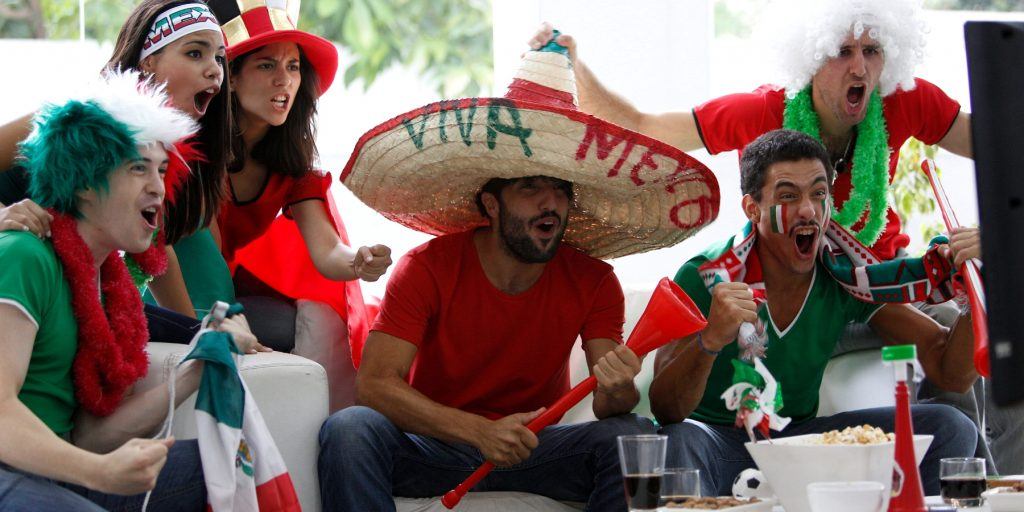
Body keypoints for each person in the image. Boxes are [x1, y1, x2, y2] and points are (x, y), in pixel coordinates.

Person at [531, 1, 1020, 474]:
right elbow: (641, 127)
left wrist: (993, 258)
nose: (859, 68)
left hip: (867, 284)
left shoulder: (900, 111)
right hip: (730, 415)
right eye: (841, 51)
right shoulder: (713, 264)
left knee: (965, 372)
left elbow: (999, 143)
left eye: (872, 52)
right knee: (679, 442)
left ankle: (992, 486)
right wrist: (573, 64)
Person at [318, 40, 720, 511]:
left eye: (559, 191)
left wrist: (618, 385)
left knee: (635, 434)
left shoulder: (595, 280)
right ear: (491, 205)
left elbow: (616, 406)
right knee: (347, 430)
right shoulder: (426, 267)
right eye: (530, 188)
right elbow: (375, 385)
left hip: (535, 452)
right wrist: (480, 432)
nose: (549, 203)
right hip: (436, 447)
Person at [649, 129, 978, 497]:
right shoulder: (704, 274)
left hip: (799, 447)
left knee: (951, 427)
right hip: (715, 444)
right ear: (752, 208)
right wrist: (710, 339)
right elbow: (665, 409)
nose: (808, 210)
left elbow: (952, 373)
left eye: (819, 194)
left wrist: (974, 288)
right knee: (677, 442)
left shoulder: (846, 276)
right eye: (788, 195)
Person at [0, 70, 259, 511]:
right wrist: (98, 473)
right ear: (83, 182)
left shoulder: (106, 286)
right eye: (138, 167)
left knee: (226, 467)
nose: (158, 185)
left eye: (161, 169)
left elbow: (89, 436)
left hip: (54, 470)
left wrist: (199, 364)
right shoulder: (25, 255)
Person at [0, 0, 235, 341]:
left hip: (61, 286)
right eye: (195, 53)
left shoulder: (164, 149)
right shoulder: (83, 114)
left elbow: (155, 249)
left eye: (219, 57)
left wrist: (198, 336)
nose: (215, 70)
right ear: (149, 62)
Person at [182, 0, 391, 355]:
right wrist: (223, 323)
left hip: (224, 289)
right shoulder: (193, 146)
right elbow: (203, 253)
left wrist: (359, 261)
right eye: (267, 65)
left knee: (292, 324)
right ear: (230, 77)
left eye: (293, 66)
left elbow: (327, 251)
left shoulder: (292, 163)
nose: (284, 80)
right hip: (174, 289)